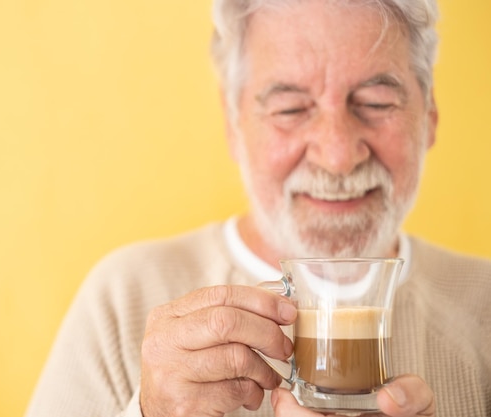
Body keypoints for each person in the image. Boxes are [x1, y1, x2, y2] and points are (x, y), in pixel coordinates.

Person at [25, 0, 491, 416]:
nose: (337, 154)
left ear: (428, 117)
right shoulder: (122, 299)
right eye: (290, 109)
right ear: (234, 126)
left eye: (375, 101)